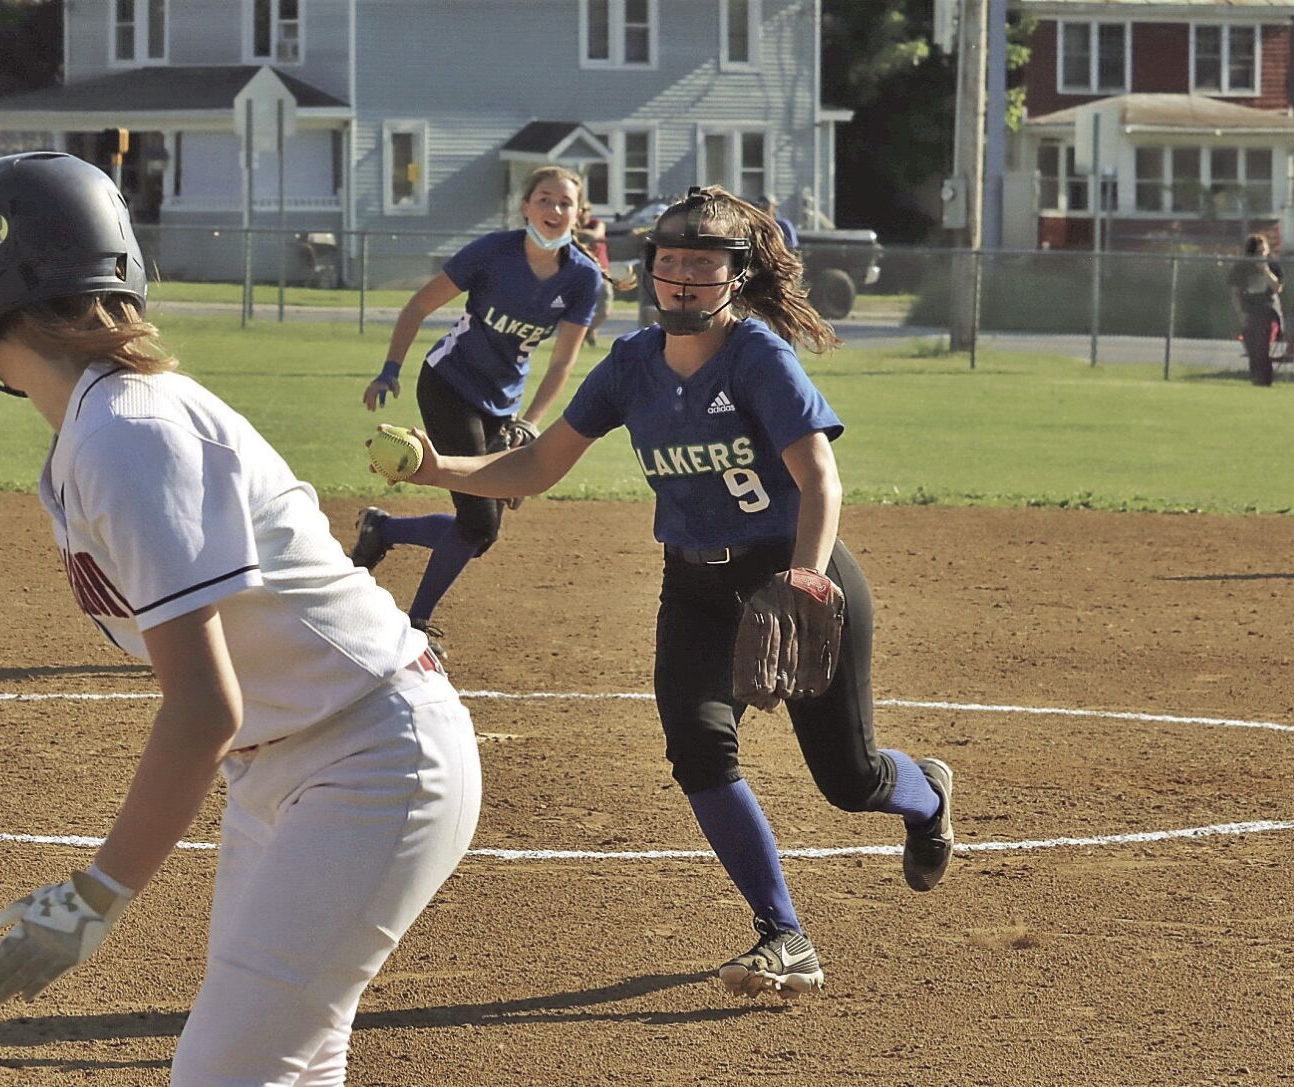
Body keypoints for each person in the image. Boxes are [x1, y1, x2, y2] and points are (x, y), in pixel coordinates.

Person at [0, 153, 645, 1087]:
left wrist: (96, 895)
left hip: (372, 756)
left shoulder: (127, 434)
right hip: (304, 757)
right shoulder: (102, 426)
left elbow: (202, 706)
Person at [385, 185, 955, 1000]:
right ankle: (784, 934)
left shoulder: (757, 357)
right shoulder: (631, 365)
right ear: (649, 272)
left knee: (848, 780)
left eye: (705, 262)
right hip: (692, 584)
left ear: (736, 274)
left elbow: (818, 479)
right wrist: (440, 468)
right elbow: (541, 465)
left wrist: (803, 576)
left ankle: (924, 791)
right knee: (698, 748)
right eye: (671, 262)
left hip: (794, 572)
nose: (684, 278)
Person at [351, 165, 602, 658]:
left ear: (578, 213)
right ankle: (416, 624)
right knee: (478, 523)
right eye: (544, 199)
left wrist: (529, 424)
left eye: (564, 203)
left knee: (479, 532)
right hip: (449, 383)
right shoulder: (493, 252)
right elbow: (418, 307)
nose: (554, 210)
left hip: (503, 406)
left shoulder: (582, 277)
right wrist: (390, 368)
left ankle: (383, 530)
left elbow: (562, 364)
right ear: (526, 206)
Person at [1227, 234, 1283, 387]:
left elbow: (1277, 288)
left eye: (1263, 251)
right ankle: (1256, 380)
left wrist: (1265, 271)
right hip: (1249, 312)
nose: (1261, 255)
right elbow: (1235, 293)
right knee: (1252, 350)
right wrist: (1240, 314)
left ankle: (1265, 381)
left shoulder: (1272, 265)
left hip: (1268, 311)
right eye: (1257, 252)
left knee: (1262, 348)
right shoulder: (1241, 267)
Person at [576, 206, 613, 347]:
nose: (583, 213)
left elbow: (595, 235)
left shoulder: (597, 224)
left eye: (585, 210)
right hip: (581, 273)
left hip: (602, 271)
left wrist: (578, 232)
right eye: (580, 210)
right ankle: (584, 335)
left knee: (605, 310)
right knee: (583, 309)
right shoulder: (571, 225)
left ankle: (587, 332)